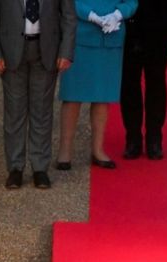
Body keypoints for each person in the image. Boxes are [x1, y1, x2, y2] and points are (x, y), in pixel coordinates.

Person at [0, 0, 76, 189]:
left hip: (46, 50)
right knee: (14, 112)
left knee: (41, 112)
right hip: (11, 52)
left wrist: (66, 51)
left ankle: (40, 168)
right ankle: (15, 168)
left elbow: (68, 16)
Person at [55, 0, 138, 171]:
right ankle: (64, 151)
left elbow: (132, 2)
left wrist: (118, 14)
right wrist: (92, 16)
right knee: (72, 96)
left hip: (111, 34)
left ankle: (98, 150)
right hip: (80, 34)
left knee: (103, 96)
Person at [120, 0, 167, 160]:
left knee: (156, 79)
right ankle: (132, 138)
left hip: (160, 21)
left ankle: (154, 138)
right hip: (130, 20)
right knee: (129, 81)